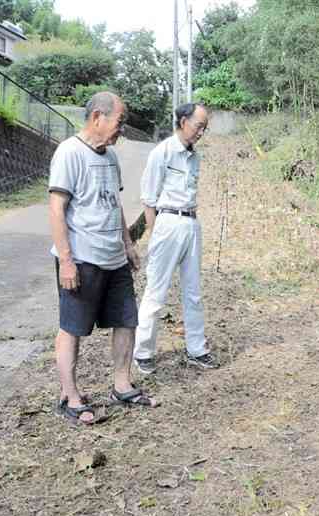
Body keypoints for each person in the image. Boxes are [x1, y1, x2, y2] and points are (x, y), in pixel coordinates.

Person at [49, 92, 158, 424]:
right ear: (98, 117)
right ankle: (70, 396)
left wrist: (128, 244)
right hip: (82, 259)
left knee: (126, 320)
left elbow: (114, 204)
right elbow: (56, 209)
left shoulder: (110, 157)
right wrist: (66, 260)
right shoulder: (69, 153)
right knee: (73, 328)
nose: (121, 130)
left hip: (114, 257)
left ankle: (122, 384)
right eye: (119, 122)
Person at [133, 102, 216, 374]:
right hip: (167, 222)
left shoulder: (195, 157)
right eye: (198, 126)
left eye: (204, 127)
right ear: (182, 121)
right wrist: (154, 232)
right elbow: (148, 197)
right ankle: (143, 351)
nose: (201, 132)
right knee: (156, 291)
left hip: (191, 223)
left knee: (193, 292)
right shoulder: (163, 152)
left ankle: (197, 349)